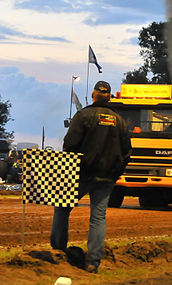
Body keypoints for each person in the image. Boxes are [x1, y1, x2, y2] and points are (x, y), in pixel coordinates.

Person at [50, 81, 132, 274]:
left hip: (80, 174)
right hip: (106, 179)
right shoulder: (119, 121)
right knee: (98, 217)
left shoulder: (83, 115)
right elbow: (127, 151)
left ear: (94, 95)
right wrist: (115, 172)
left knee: (62, 209)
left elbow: (69, 144)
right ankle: (92, 262)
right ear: (110, 97)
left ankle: (58, 252)